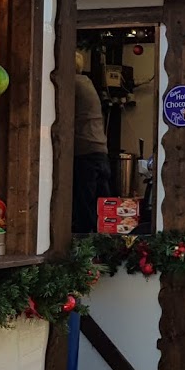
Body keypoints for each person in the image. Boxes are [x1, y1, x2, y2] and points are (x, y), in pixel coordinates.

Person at [73, 51, 114, 234]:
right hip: (100, 150)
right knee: (102, 206)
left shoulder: (71, 84)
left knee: (84, 206)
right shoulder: (86, 82)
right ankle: (102, 246)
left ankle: (85, 247)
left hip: (84, 151)